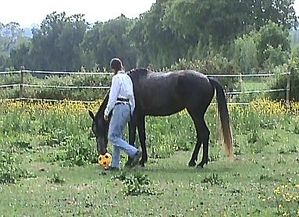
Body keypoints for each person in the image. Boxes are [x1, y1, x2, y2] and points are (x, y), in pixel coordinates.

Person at [104, 57, 141, 170]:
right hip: (128, 108)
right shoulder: (127, 78)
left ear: (113, 68)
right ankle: (115, 165)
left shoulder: (116, 78)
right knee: (118, 135)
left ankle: (134, 152)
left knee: (112, 136)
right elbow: (132, 96)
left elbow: (113, 97)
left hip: (119, 107)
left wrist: (107, 112)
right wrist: (132, 110)